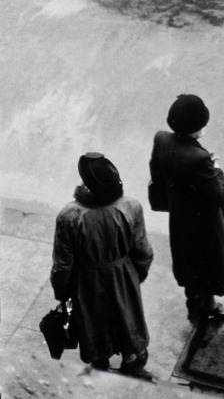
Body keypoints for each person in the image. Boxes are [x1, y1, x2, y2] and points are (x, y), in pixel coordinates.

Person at [50, 152, 154, 378]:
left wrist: (62, 291)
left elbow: (62, 265)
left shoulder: (70, 216)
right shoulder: (131, 207)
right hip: (123, 274)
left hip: (86, 281)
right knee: (126, 317)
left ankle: (101, 365)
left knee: (92, 323)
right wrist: (136, 276)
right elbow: (143, 251)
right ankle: (132, 360)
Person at [149, 94, 224, 323]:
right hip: (204, 223)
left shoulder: (161, 140)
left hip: (179, 217)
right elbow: (218, 194)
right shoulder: (199, 159)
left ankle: (193, 301)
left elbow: (157, 171)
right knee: (209, 262)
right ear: (196, 128)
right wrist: (216, 168)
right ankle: (208, 307)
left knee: (188, 260)